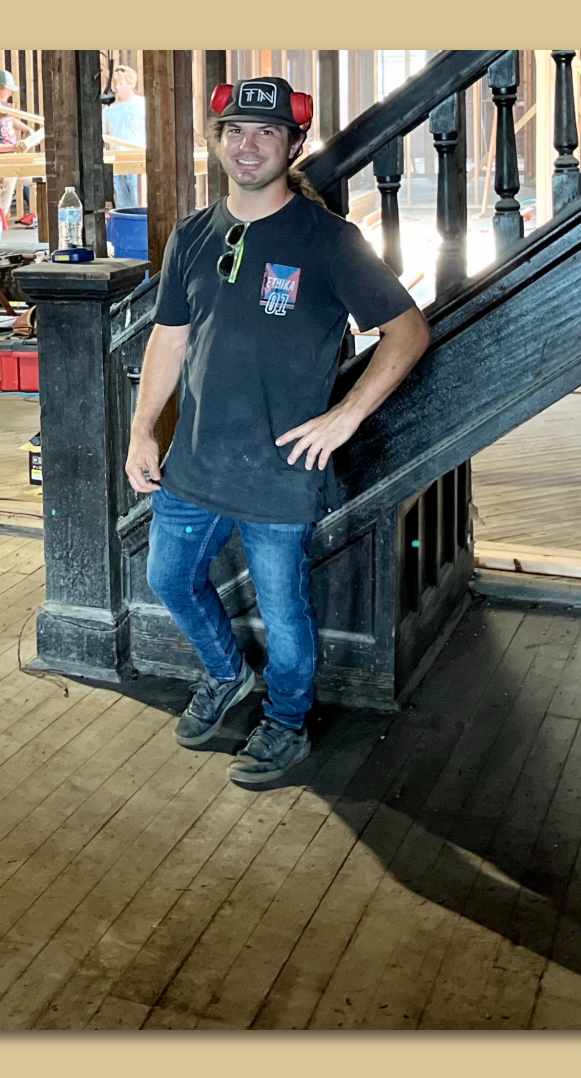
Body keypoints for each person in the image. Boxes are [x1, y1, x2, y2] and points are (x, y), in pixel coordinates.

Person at [125, 77, 432, 787]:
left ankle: (287, 722)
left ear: (293, 145)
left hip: (279, 472)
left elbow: (407, 330)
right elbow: (168, 342)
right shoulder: (193, 237)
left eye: (266, 132)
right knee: (169, 578)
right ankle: (225, 675)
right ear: (218, 142)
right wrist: (144, 430)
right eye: (236, 130)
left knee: (286, 616)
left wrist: (345, 414)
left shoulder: (328, 242)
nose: (248, 144)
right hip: (194, 461)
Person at [0, 68, 31, 238]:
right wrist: (12, 148)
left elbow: (9, 118)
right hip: (2, 161)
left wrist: (25, 128)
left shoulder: (0, 106)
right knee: (3, 201)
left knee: (40, 179)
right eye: (8, 89)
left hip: (12, 158)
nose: (10, 93)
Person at [103, 64, 146, 209]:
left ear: (131, 84)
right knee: (122, 205)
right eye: (115, 84)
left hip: (138, 162)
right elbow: (103, 136)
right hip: (118, 163)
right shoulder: (109, 110)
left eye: (121, 83)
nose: (117, 87)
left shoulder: (142, 105)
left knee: (139, 202)